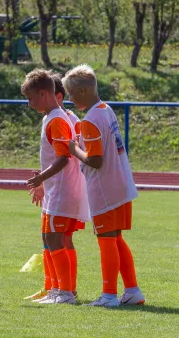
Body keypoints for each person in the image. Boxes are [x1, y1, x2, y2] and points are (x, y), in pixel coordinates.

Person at [63, 64, 145, 307]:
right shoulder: (106, 109)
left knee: (106, 238)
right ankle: (132, 291)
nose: (69, 98)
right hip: (120, 184)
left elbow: (96, 160)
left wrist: (74, 149)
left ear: (84, 91)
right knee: (116, 238)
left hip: (105, 188)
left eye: (71, 93)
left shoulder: (90, 120)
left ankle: (109, 295)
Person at [22, 69, 89, 305]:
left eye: (30, 98)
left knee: (54, 239)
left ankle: (65, 292)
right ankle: (58, 289)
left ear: (43, 94)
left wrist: (42, 178)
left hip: (62, 190)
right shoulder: (52, 117)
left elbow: (63, 158)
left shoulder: (58, 119)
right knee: (52, 238)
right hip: (56, 190)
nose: (29, 104)